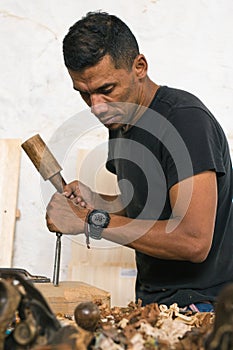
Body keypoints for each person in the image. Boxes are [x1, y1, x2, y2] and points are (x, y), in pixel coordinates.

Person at [46, 11, 233, 311]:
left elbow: (193, 240)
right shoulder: (121, 121)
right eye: (85, 95)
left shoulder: (185, 122)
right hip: (152, 302)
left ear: (139, 67)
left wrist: (92, 221)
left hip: (202, 306)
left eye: (107, 90)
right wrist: (98, 202)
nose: (97, 108)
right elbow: (148, 205)